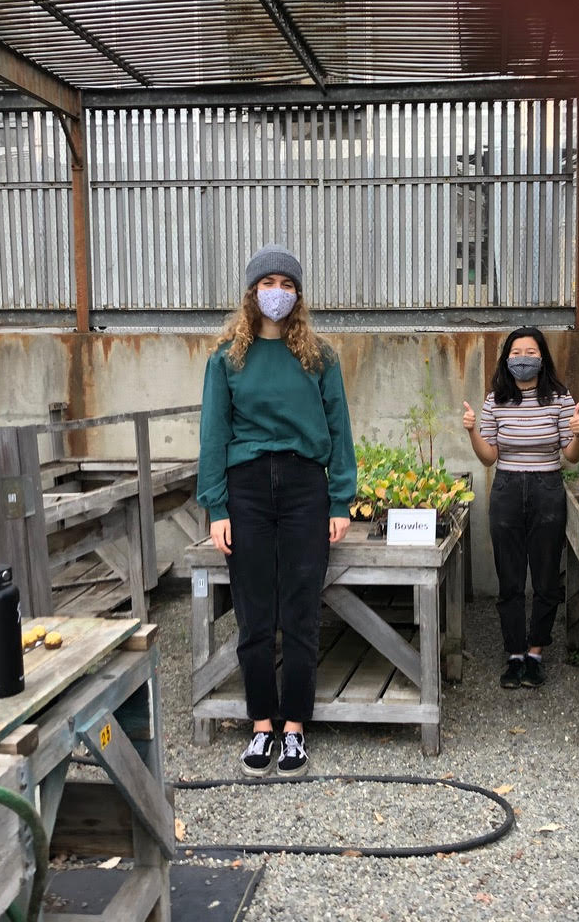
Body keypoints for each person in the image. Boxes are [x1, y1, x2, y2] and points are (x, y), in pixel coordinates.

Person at [197, 244, 356, 778]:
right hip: (245, 491)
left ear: (299, 295)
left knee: (302, 607)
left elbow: (340, 430)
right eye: (268, 283)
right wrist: (216, 507)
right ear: (251, 293)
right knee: (254, 609)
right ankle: (261, 723)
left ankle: (295, 727)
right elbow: (213, 435)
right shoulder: (227, 359)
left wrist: (340, 498)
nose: (278, 294)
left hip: (304, 488)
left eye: (288, 285)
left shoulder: (319, 357)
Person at [463, 326, 579, 689]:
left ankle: (535, 652)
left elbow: (572, 457)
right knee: (510, 578)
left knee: (547, 578)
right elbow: (488, 457)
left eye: (530, 352)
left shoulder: (560, 399)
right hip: (507, 488)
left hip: (548, 488)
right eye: (515, 353)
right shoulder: (495, 400)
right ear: (506, 359)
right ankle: (514, 654)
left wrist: (578, 433)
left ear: (542, 357)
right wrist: (472, 431)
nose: (522, 359)